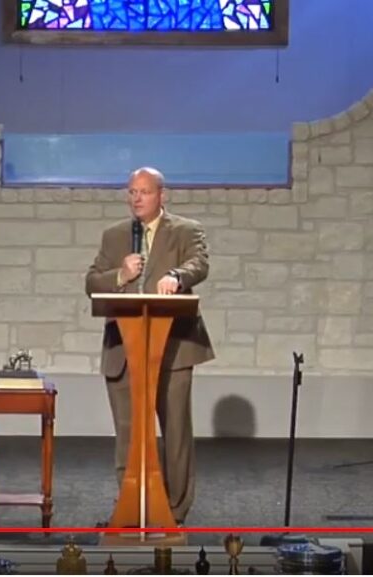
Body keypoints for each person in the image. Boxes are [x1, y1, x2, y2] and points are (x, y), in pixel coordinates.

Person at [84, 166, 214, 525]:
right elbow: (92, 280)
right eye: (131, 191)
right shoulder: (114, 237)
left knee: (174, 432)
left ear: (161, 195)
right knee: (128, 432)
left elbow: (199, 264)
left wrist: (175, 276)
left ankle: (173, 510)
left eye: (143, 191)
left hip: (171, 347)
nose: (136, 198)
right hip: (123, 349)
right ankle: (130, 506)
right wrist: (120, 275)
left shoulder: (186, 230)